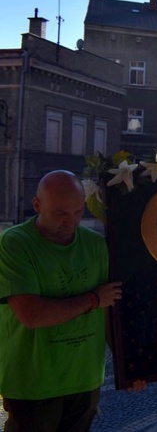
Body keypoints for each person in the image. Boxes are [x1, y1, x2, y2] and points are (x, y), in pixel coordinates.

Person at [0, 170, 128, 431]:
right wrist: (93, 299)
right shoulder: (15, 244)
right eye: (60, 213)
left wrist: (130, 367)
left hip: (84, 380)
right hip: (33, 385)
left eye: (78, 212)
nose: (71, 222)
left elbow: (110, 313)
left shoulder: (96, 245)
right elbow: (32, 315)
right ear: (37, 205)